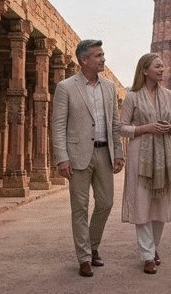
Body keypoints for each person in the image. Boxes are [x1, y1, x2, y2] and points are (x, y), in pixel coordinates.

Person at [51, 39, 125, 277]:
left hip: (104, 153)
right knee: (80, 208)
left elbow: (114, 123)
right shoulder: (66, 87)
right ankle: (84, 257)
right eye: (98, 55)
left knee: (106, 203)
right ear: (84, 60)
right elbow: (58, 125)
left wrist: (119, 153)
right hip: (78, 155)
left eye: (103, 54)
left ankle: (92, 245)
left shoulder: (109, 87)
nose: (103, 59)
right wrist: (62, 158)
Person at [117, 53, 171, 275]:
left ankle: (153, 248)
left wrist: (170, 129)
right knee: (142, 203)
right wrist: (145, 129)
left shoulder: (169, 96)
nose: (162, 70)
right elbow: (122, 127)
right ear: (145, 70)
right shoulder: (132, 97)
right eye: (158, 66)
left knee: (160, 204)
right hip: (139, 156)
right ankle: (147, 256)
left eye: (163, 67)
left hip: (162, 156)